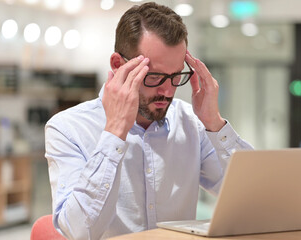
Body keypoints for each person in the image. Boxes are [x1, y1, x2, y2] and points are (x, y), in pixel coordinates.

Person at [45, 2, 254, 239]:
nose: (167, 91)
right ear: (118, 64)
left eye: (176, 76)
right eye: (154, 76)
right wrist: (114, 133)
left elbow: (254, 198)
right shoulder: (67, 128)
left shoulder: (191, 123)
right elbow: (78, 231)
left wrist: (214, 123)